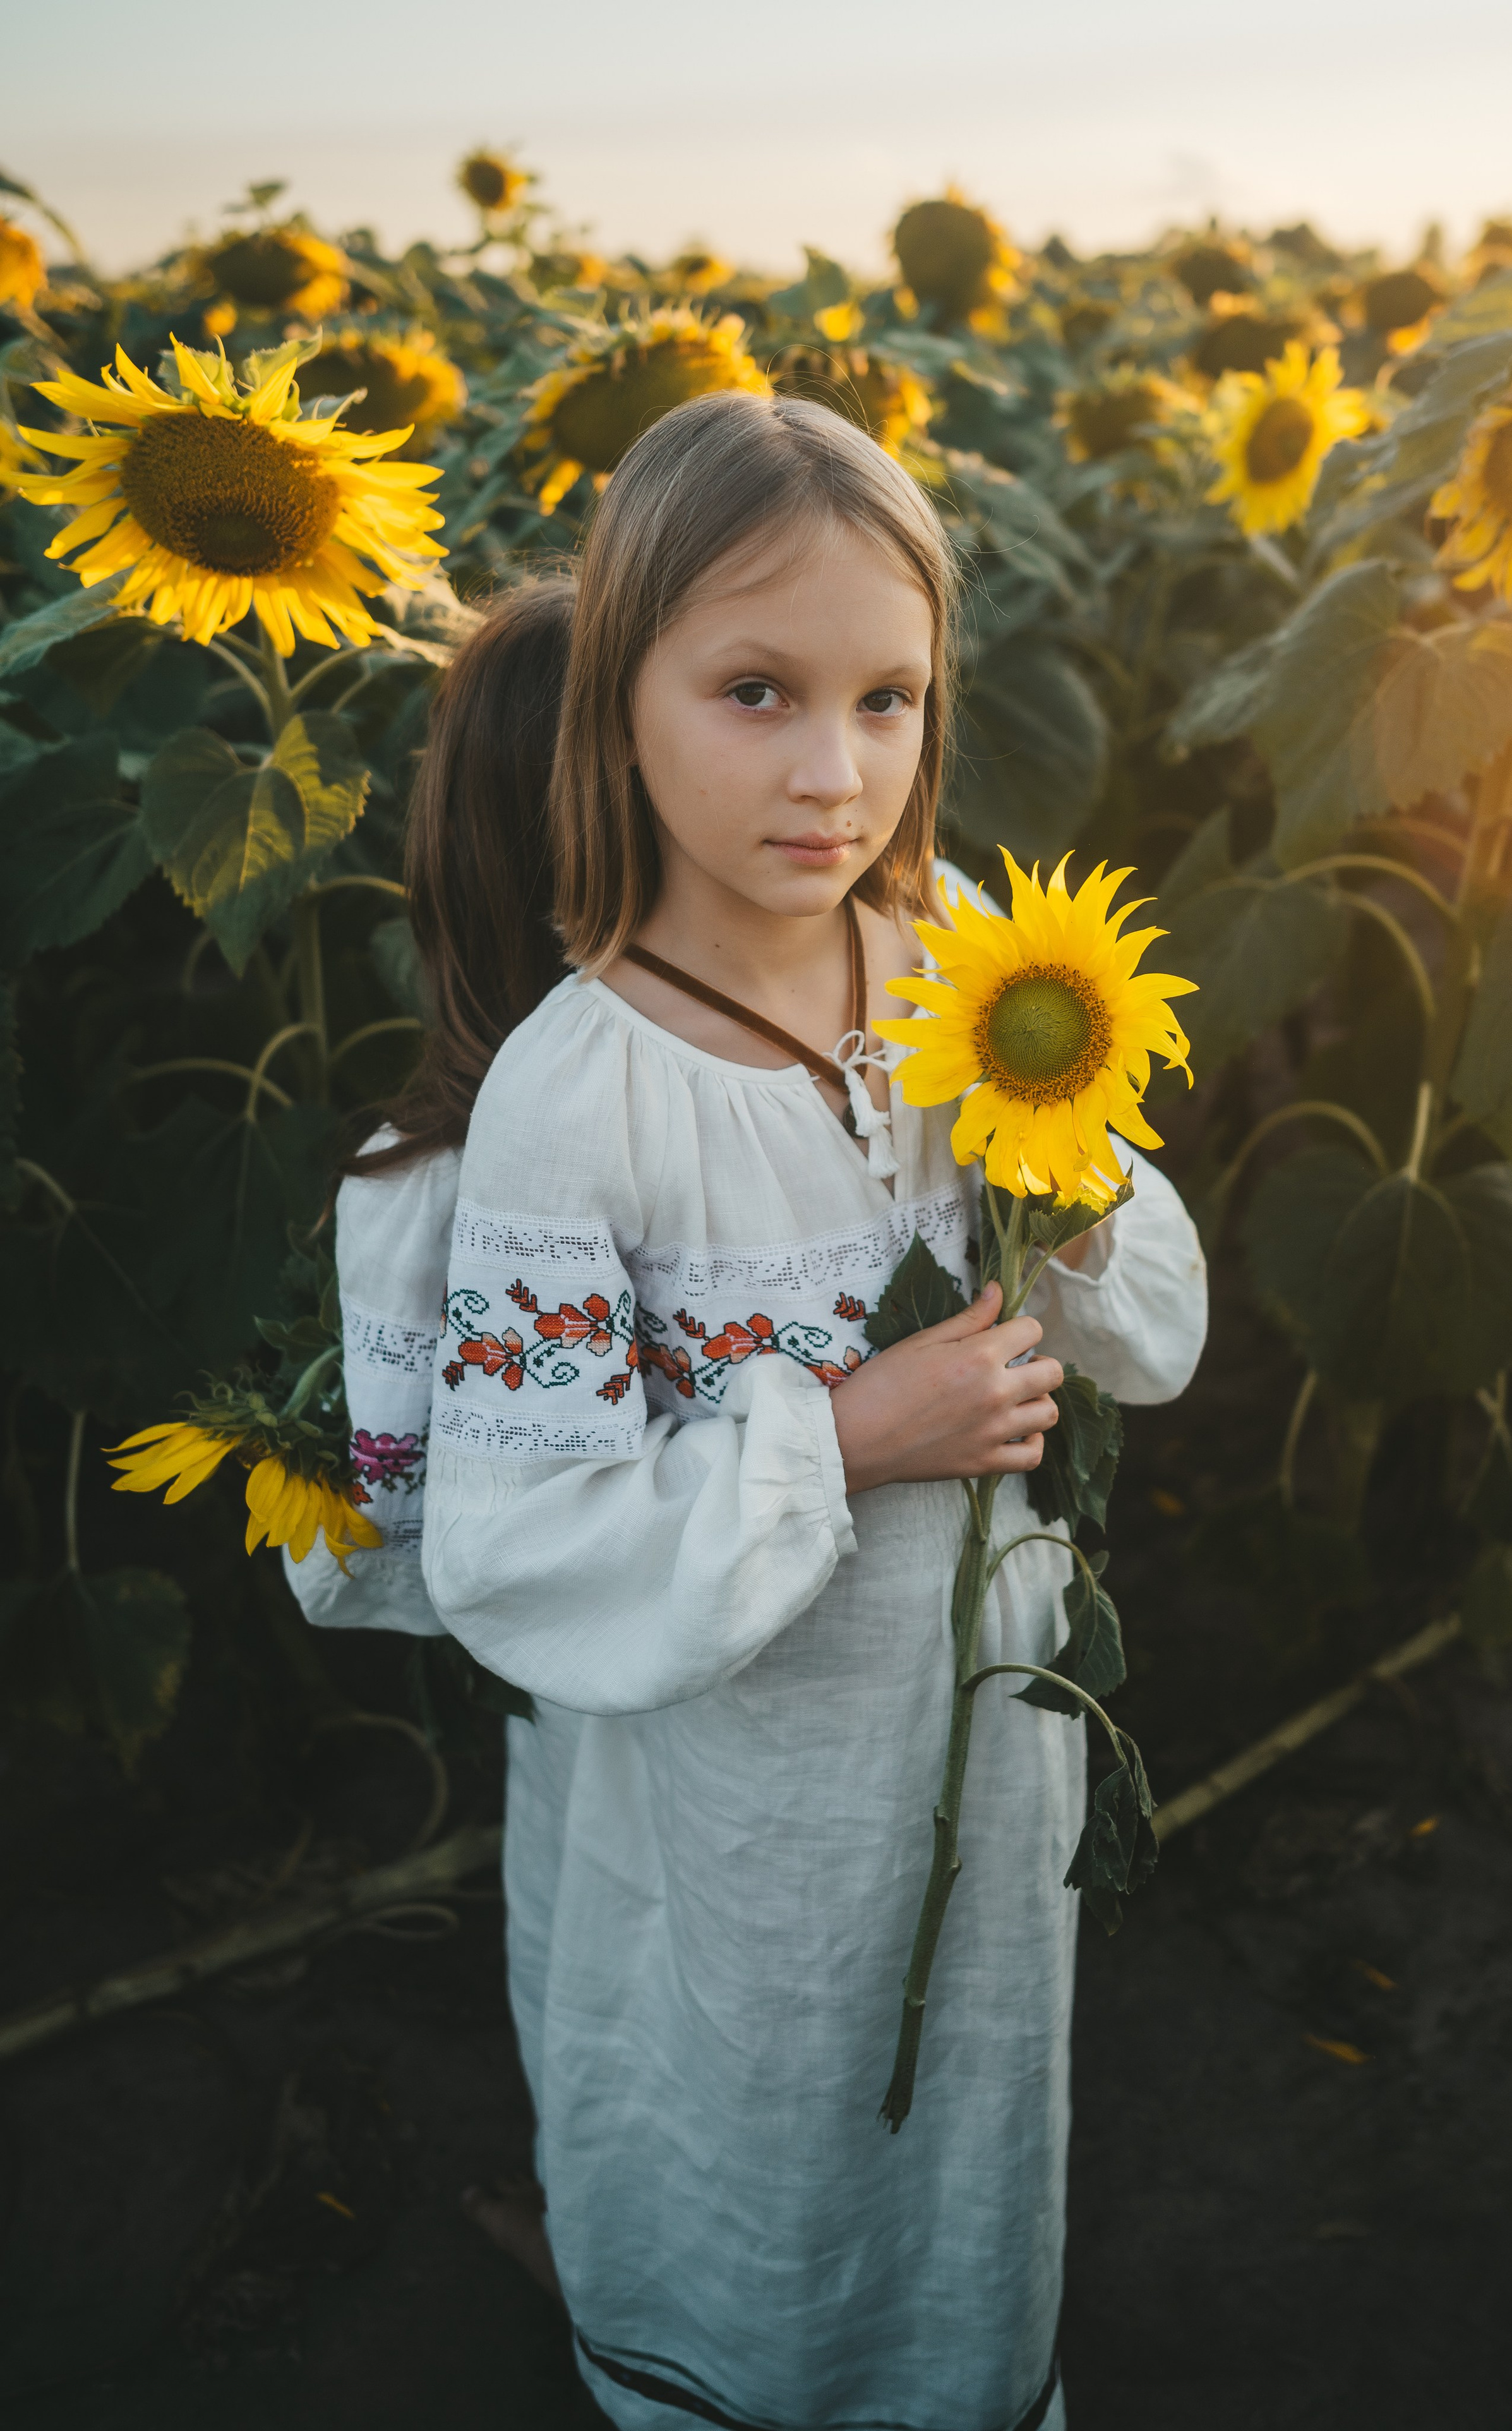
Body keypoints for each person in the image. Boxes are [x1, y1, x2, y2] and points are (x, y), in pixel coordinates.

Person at [289, 390, 1207, 2431]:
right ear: (622, 700)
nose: (834, 771)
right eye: (759, 691)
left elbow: (1153, 1336)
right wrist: (848, 1432)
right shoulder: (581, 1090)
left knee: (959, 2115)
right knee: (757, 2115)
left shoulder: (961, 961)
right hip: (744, 1785)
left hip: (976, 1742)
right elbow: (523, 1550)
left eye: (890, 701)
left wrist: (1057, 1189)